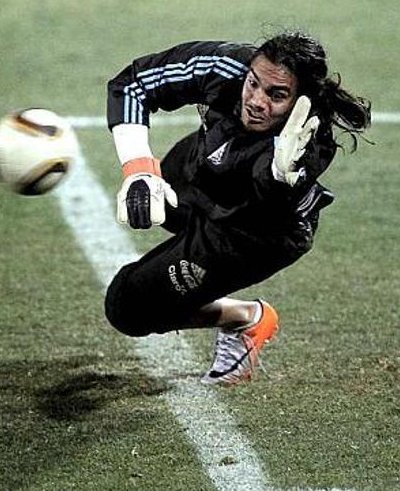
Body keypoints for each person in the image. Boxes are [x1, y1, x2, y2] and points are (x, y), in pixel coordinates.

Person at [103, 31, 371, 386]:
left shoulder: (307, 140)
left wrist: (279, 174)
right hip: (205, 171)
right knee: (163, 190)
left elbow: (267, 193)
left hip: (252, 232)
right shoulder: (229, 66)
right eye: (254, 84)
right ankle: (183, 226)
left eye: (277, 95)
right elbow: (134, 84)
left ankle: (244, 319)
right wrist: (138, 169)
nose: (257, 101)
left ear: (300, 101)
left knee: (127, 306)